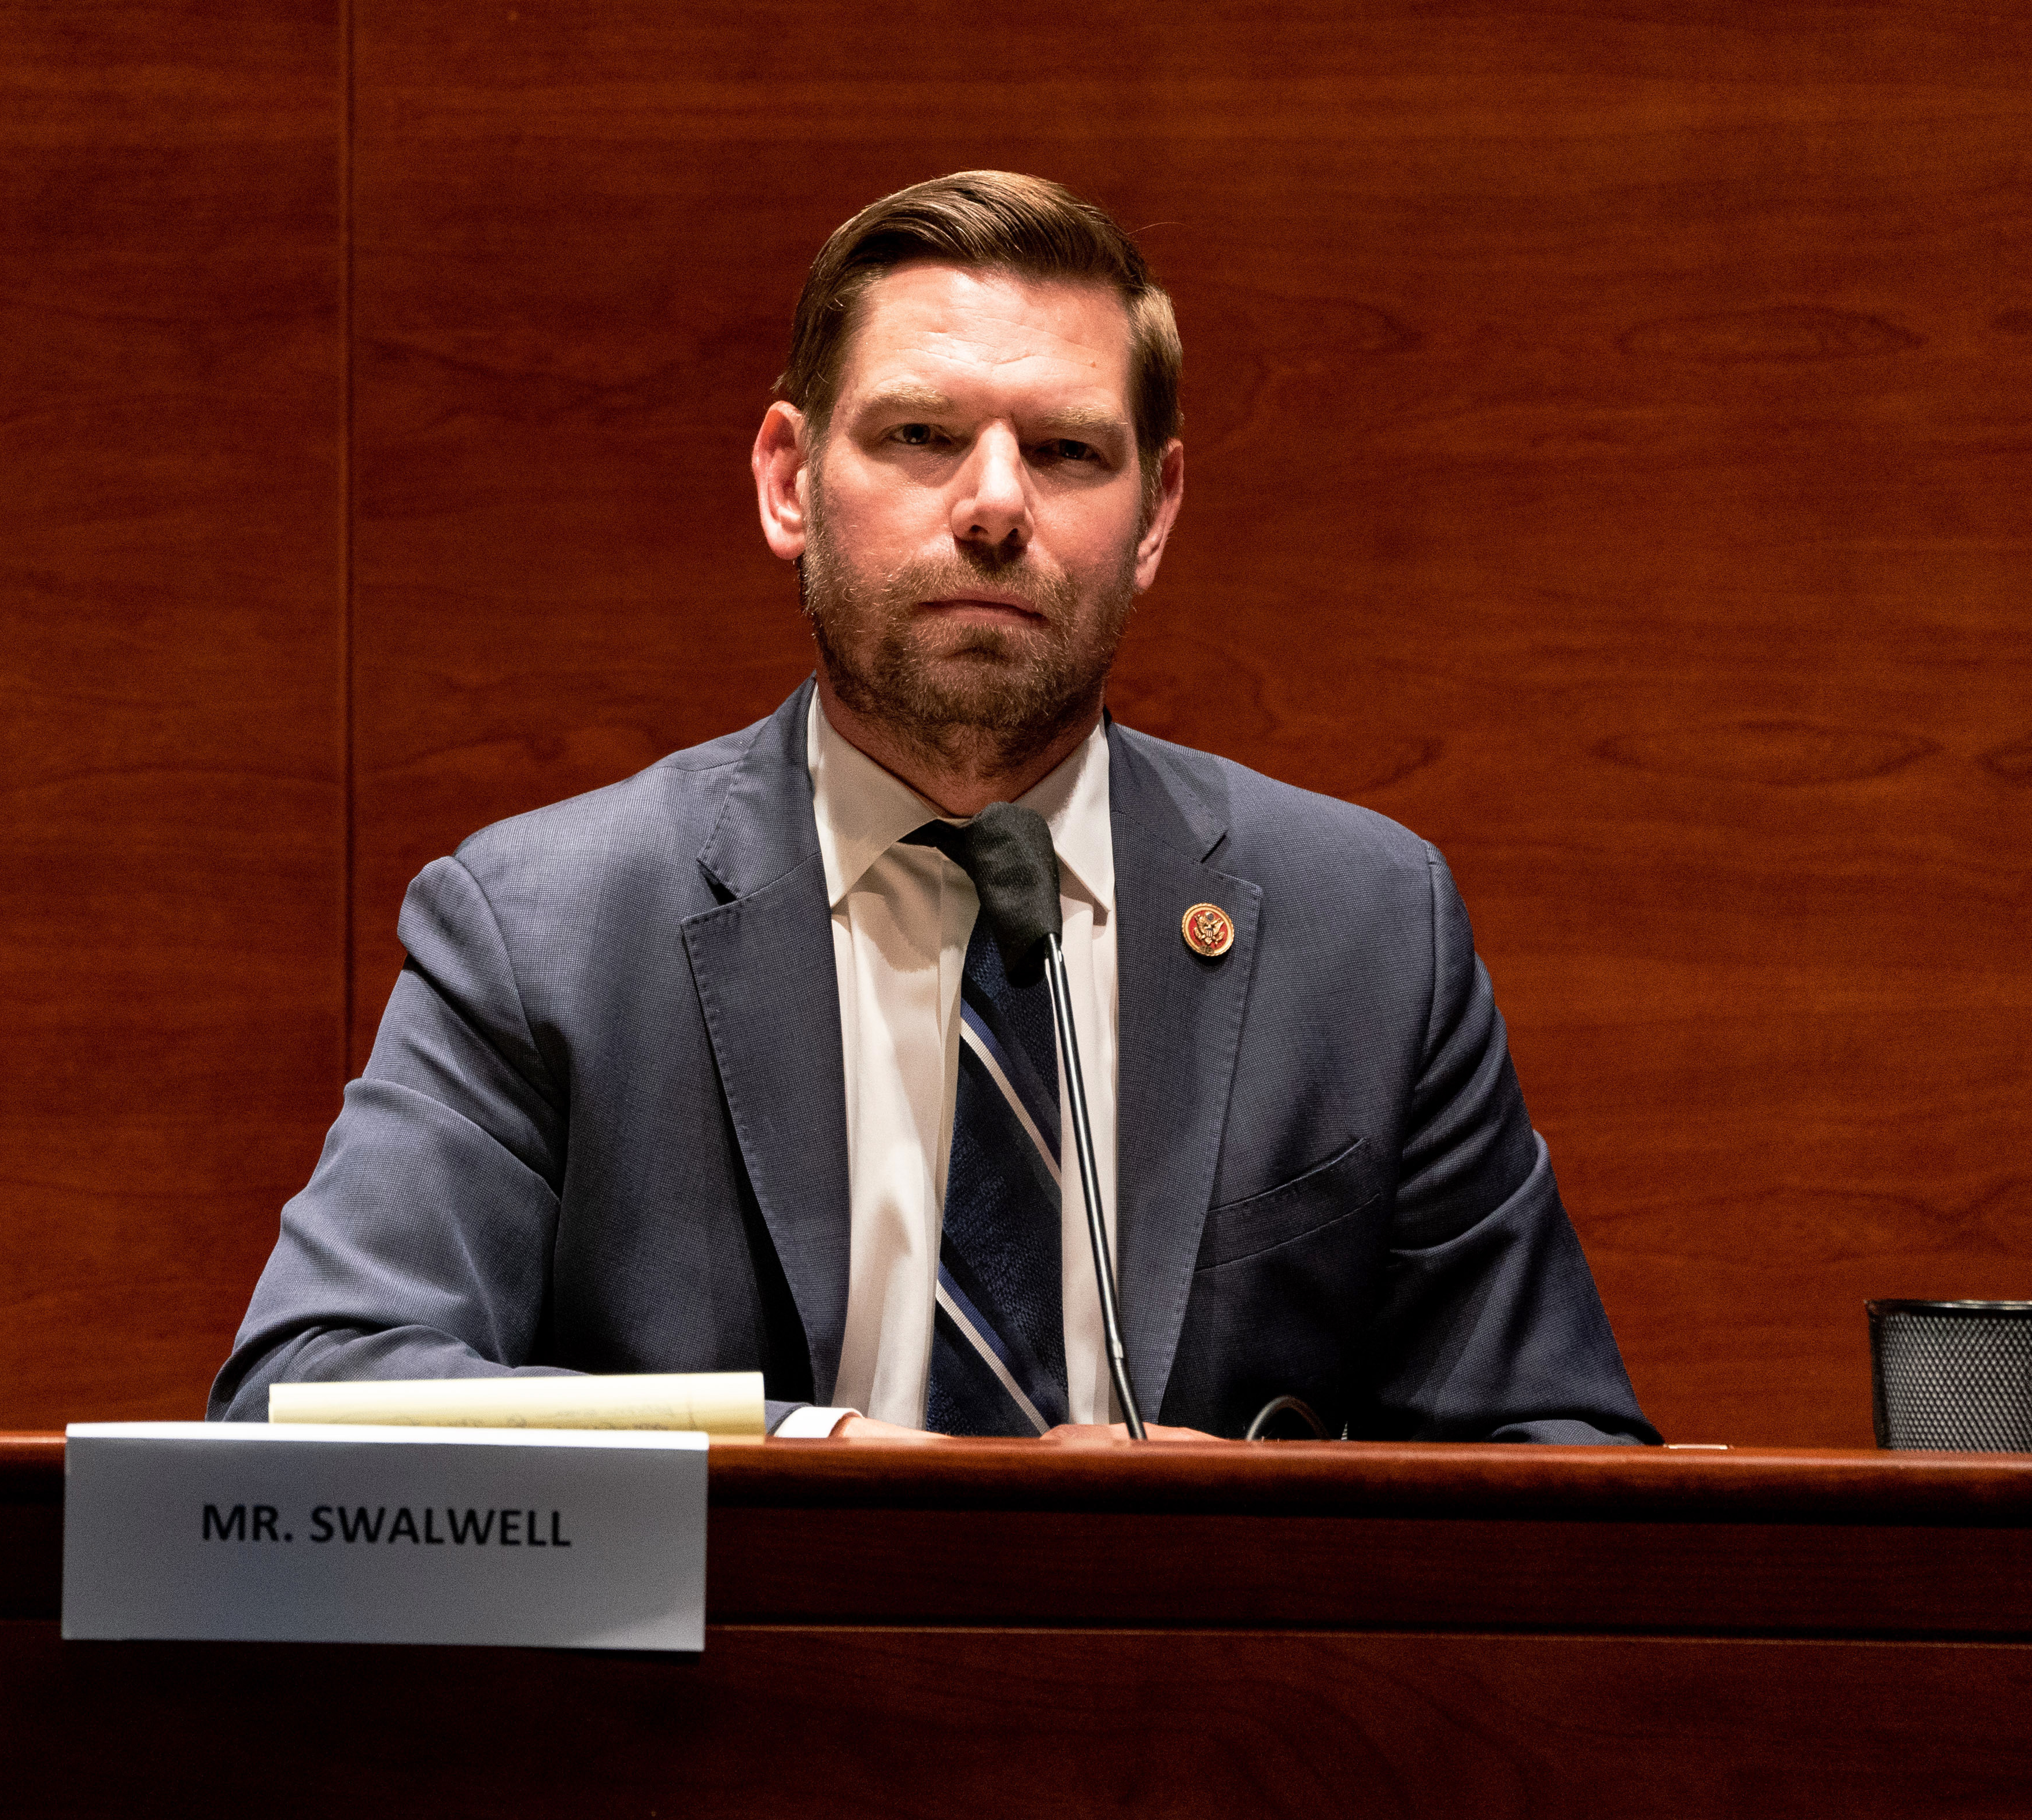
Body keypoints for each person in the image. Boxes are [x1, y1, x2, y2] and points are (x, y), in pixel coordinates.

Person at [210, 171, 1656, 1446]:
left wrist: (1253, 1527)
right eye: (916, 433)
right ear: (788, 480)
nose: (991, 505)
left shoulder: (1363, 925)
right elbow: (316, 1386)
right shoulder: (546, 926)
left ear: (1152, 517)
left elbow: (1556, 1452)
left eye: (1069, 452)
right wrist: (809, 1456)